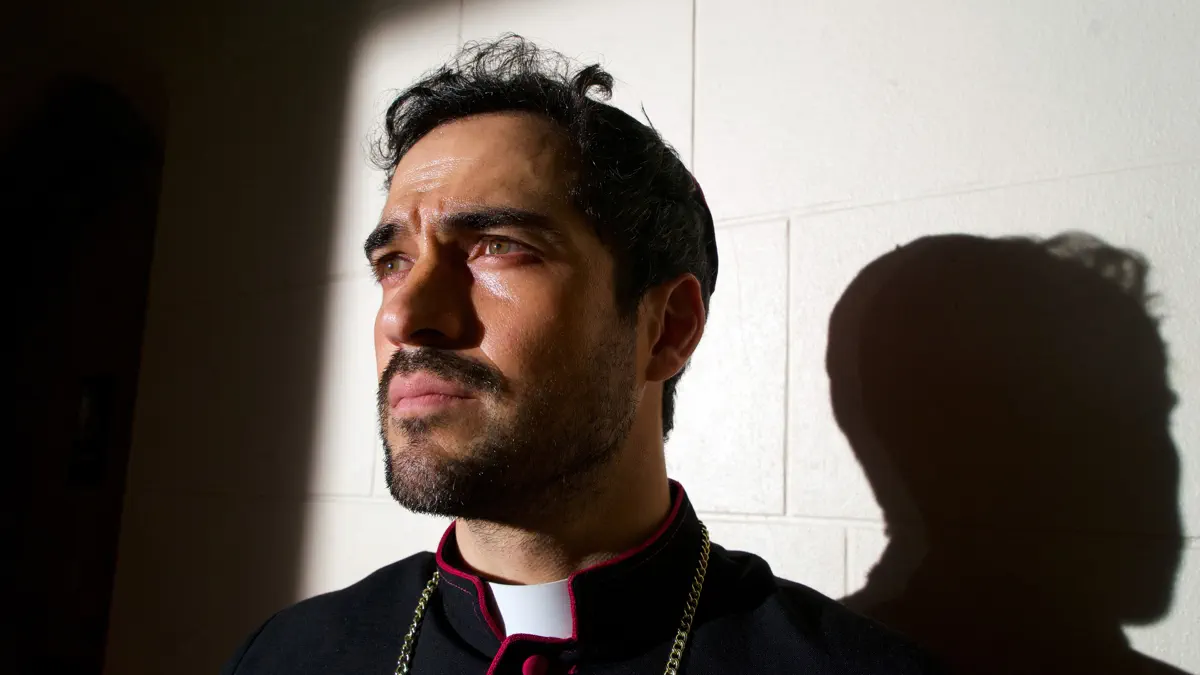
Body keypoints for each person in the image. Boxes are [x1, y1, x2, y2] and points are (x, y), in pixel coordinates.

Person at [221, 36, 939, 675]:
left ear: (667, 328)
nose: (402, 316)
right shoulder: (285, 654)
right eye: (393, 262)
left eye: (498, 246)